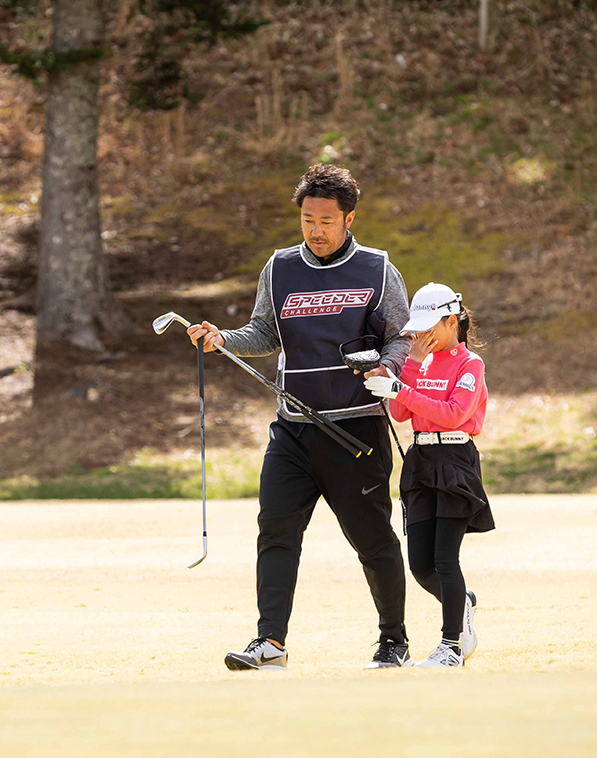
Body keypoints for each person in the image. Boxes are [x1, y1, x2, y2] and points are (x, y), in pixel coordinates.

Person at [186, 164, 414, 670]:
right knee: (276, 529)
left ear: (349, 218)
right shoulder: (280, 268)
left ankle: (393, 641)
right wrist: (224, 338)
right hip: (293, 428)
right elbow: (264, 333)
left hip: (356, 428)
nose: (315, 230)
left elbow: (401, 335)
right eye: (308, 219)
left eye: (326, 221)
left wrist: (387, 364)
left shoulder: (377, 269)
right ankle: (270, 643)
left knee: (372, 538)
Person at [364, 282, 494, 668]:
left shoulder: (470, 364)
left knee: (445, 560)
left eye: (430, 326)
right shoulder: (420, 360)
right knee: (420, 564)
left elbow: (454, 412)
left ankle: (450, 646)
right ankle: (462, 602)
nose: (422, 335)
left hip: (455, 458)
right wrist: (404, 374)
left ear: (451, 321)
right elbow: (404, 415)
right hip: (421, 459)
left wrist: (401, 389)